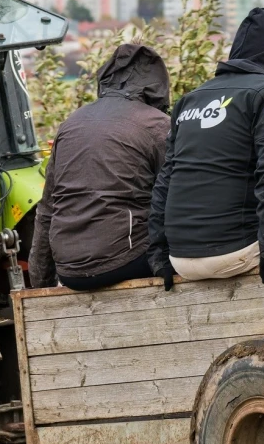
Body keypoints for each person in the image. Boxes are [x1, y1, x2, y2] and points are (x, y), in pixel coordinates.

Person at [148, 7, 264, 287]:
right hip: (235, 251)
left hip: (179, 258)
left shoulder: (190, 99)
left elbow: (164, 182)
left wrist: (158, 256)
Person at [28, 44, 171, 291]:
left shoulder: (70, 124)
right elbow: (178, 199)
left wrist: (41, 289)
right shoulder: (157, 125)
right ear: (157, 85)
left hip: (68, 269)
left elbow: (47, 210)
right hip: (124, 261)